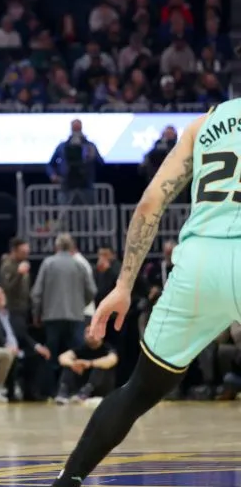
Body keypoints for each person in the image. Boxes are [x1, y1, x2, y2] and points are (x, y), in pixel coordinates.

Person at [50, 106, 236, 486]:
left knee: (137, 392)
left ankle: (67, 482)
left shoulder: (205, 124)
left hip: (199, 266)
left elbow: (151, 202)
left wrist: (123, 286)